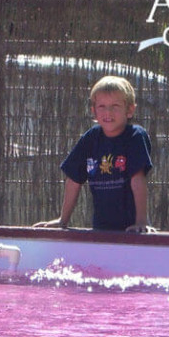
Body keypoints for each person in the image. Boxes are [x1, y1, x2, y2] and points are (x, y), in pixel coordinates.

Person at [34, 75, 153, 233]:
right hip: (100, 229)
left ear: (130, 110)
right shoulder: (91, 138)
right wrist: (63, 220)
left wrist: (141, 222)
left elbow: (138, 180)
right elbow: (74, 180)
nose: (108, 112)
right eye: (102, 106)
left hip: (131, 230)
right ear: (94, 111)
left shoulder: (135, 136)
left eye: (115, 106)